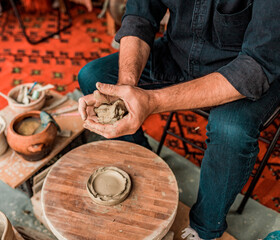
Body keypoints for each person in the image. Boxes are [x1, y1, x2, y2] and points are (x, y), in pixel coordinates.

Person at [77, 0, 280, 239]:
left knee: (230, 131)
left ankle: (205, 228)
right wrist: (125, 89)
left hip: (246, 69)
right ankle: (145, 167)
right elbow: (140, 15)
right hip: (181, 54)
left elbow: (256, 65)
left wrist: (152, 101)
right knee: (94, 76)